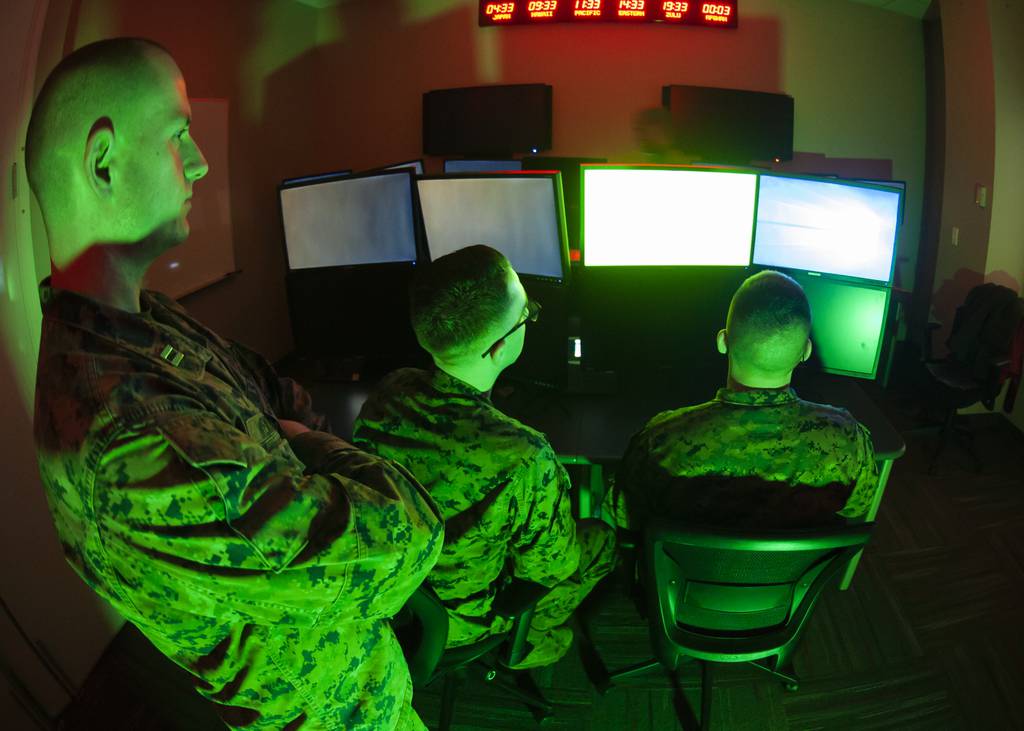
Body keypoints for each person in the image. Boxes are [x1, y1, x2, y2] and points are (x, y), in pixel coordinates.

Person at [28, 38, 443, 730]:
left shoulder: (141, 321)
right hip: (328, 713)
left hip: (352, 661)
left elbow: (276, 390)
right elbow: (406, 540)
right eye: (178, 134)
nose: (198, 161)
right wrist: (314, 446)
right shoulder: (131, 433)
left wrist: (297, 439)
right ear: (103, 162)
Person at [353, 245, 616, 669]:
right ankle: (526, 640)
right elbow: (550, 566)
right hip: (462, 621)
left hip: (394, 600)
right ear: (498, 349)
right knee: (599, 540)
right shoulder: (525, 456)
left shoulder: (391, 390)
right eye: (527, 314)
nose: (531, 317)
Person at [615, 270, 879, 531]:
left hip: (686, 573)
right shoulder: (846, 438)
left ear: (722, 341)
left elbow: (624, 516)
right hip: (792, 574)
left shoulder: (660, 442)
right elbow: (857, 506)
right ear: (806, 352)